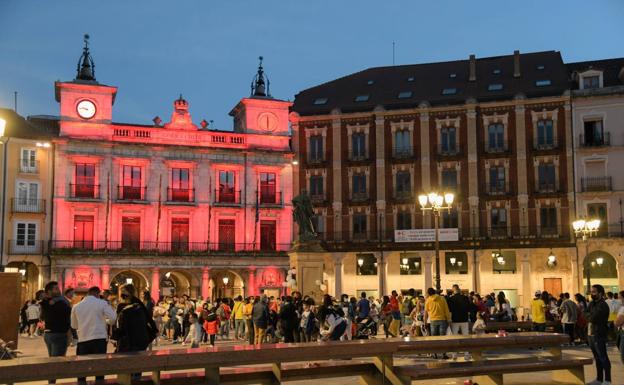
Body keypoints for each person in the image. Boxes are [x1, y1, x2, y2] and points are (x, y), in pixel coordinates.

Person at [71, 286, 117, 385]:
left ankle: (81, 383)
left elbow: (74, 325)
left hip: (83, 339)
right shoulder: (102, 303)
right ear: (97, 293)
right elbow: (113, 318)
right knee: (100, 367)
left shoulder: (76, 306)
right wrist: (105, 321)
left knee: (82, 368)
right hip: (99, 339)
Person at [40, 281, 72, 384]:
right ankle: (51, 382)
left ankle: (51, 381)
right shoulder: (61, 303)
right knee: (56, 363)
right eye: (56, 289)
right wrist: (70, 334)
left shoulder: (46, 303)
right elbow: (68, 318)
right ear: (49, 291)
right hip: (58, 335)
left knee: (52, 360)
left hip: (48, 335)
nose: (59, 290)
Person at [586, 285, 611, 385]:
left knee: (603, 357)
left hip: (598, 334)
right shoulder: (592, 303)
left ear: (600, 293)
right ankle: (599, 379)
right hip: (590, 334)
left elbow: (593, 318)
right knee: (596, 357)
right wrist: (589, 315)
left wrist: (589, 316)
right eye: (591, 292)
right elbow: (585, 313)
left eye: (594, 292)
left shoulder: (603, 305)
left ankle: (608, 380)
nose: (592, 294)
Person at [447, 284, 473, 360]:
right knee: (466, 337)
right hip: (464, 319)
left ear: (453, 290)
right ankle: (466, 354)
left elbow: (449, 310)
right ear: (459, 289)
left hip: (455, 320)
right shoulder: (465, 298)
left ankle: (455, 354)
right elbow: (469, 307)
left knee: (454, 337)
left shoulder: (451, 299)